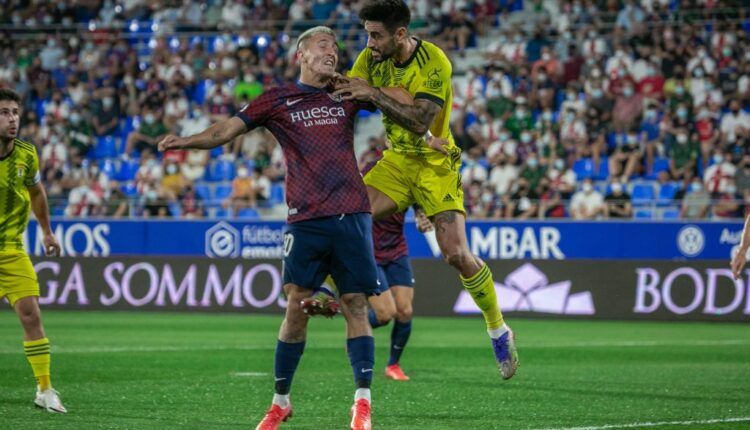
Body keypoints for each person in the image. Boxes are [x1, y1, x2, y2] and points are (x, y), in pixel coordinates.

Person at [158, 27, 376, 430]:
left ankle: (362, 403)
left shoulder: (347, 92)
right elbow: (226, 130)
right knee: (296, 307)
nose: (332, 52)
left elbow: (393, 107)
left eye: (335, 47)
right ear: (302, 54)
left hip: (352, 212)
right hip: (305, 217)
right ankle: (280, 402)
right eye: (323, 45)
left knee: (356, 305)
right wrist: (185, 142)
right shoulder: (277, 99)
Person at [332, 0, 518, 380]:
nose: (369, 43)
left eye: (377, 35)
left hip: (436, 165)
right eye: (367, 33)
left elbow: (419, 121)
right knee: (343, 216)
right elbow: (352, 97)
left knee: (455, 254)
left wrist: (376, 93)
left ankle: (498, 328)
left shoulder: (435, 62)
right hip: (397, 162)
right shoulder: (370, 59)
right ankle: (332, 294)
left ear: (400, 34)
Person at [0, 88, 65, 413]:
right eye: (4, 112)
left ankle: (45, 389)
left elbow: (37, 192)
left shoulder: (26, 154)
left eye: (14, 112)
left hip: (11, 250)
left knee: (31, 314)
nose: (12, 119)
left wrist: (47, 231)